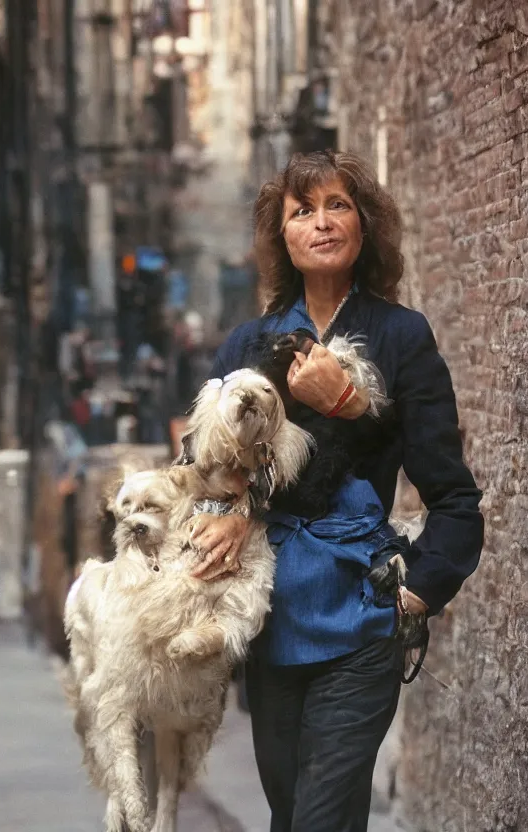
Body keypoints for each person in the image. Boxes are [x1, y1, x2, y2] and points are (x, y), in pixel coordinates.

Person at [188, 150, 484, 832]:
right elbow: (206, 470)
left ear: (364, 225)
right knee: (294, 814)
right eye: (302, 211)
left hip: (360, 619)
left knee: (319, 819)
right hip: (270, 621)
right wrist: (228, 512)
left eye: (337, 206)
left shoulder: (402, 336)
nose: (321, 223)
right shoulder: (246, 343)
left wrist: (413, 596)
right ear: (283, 237)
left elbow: (454, 499)